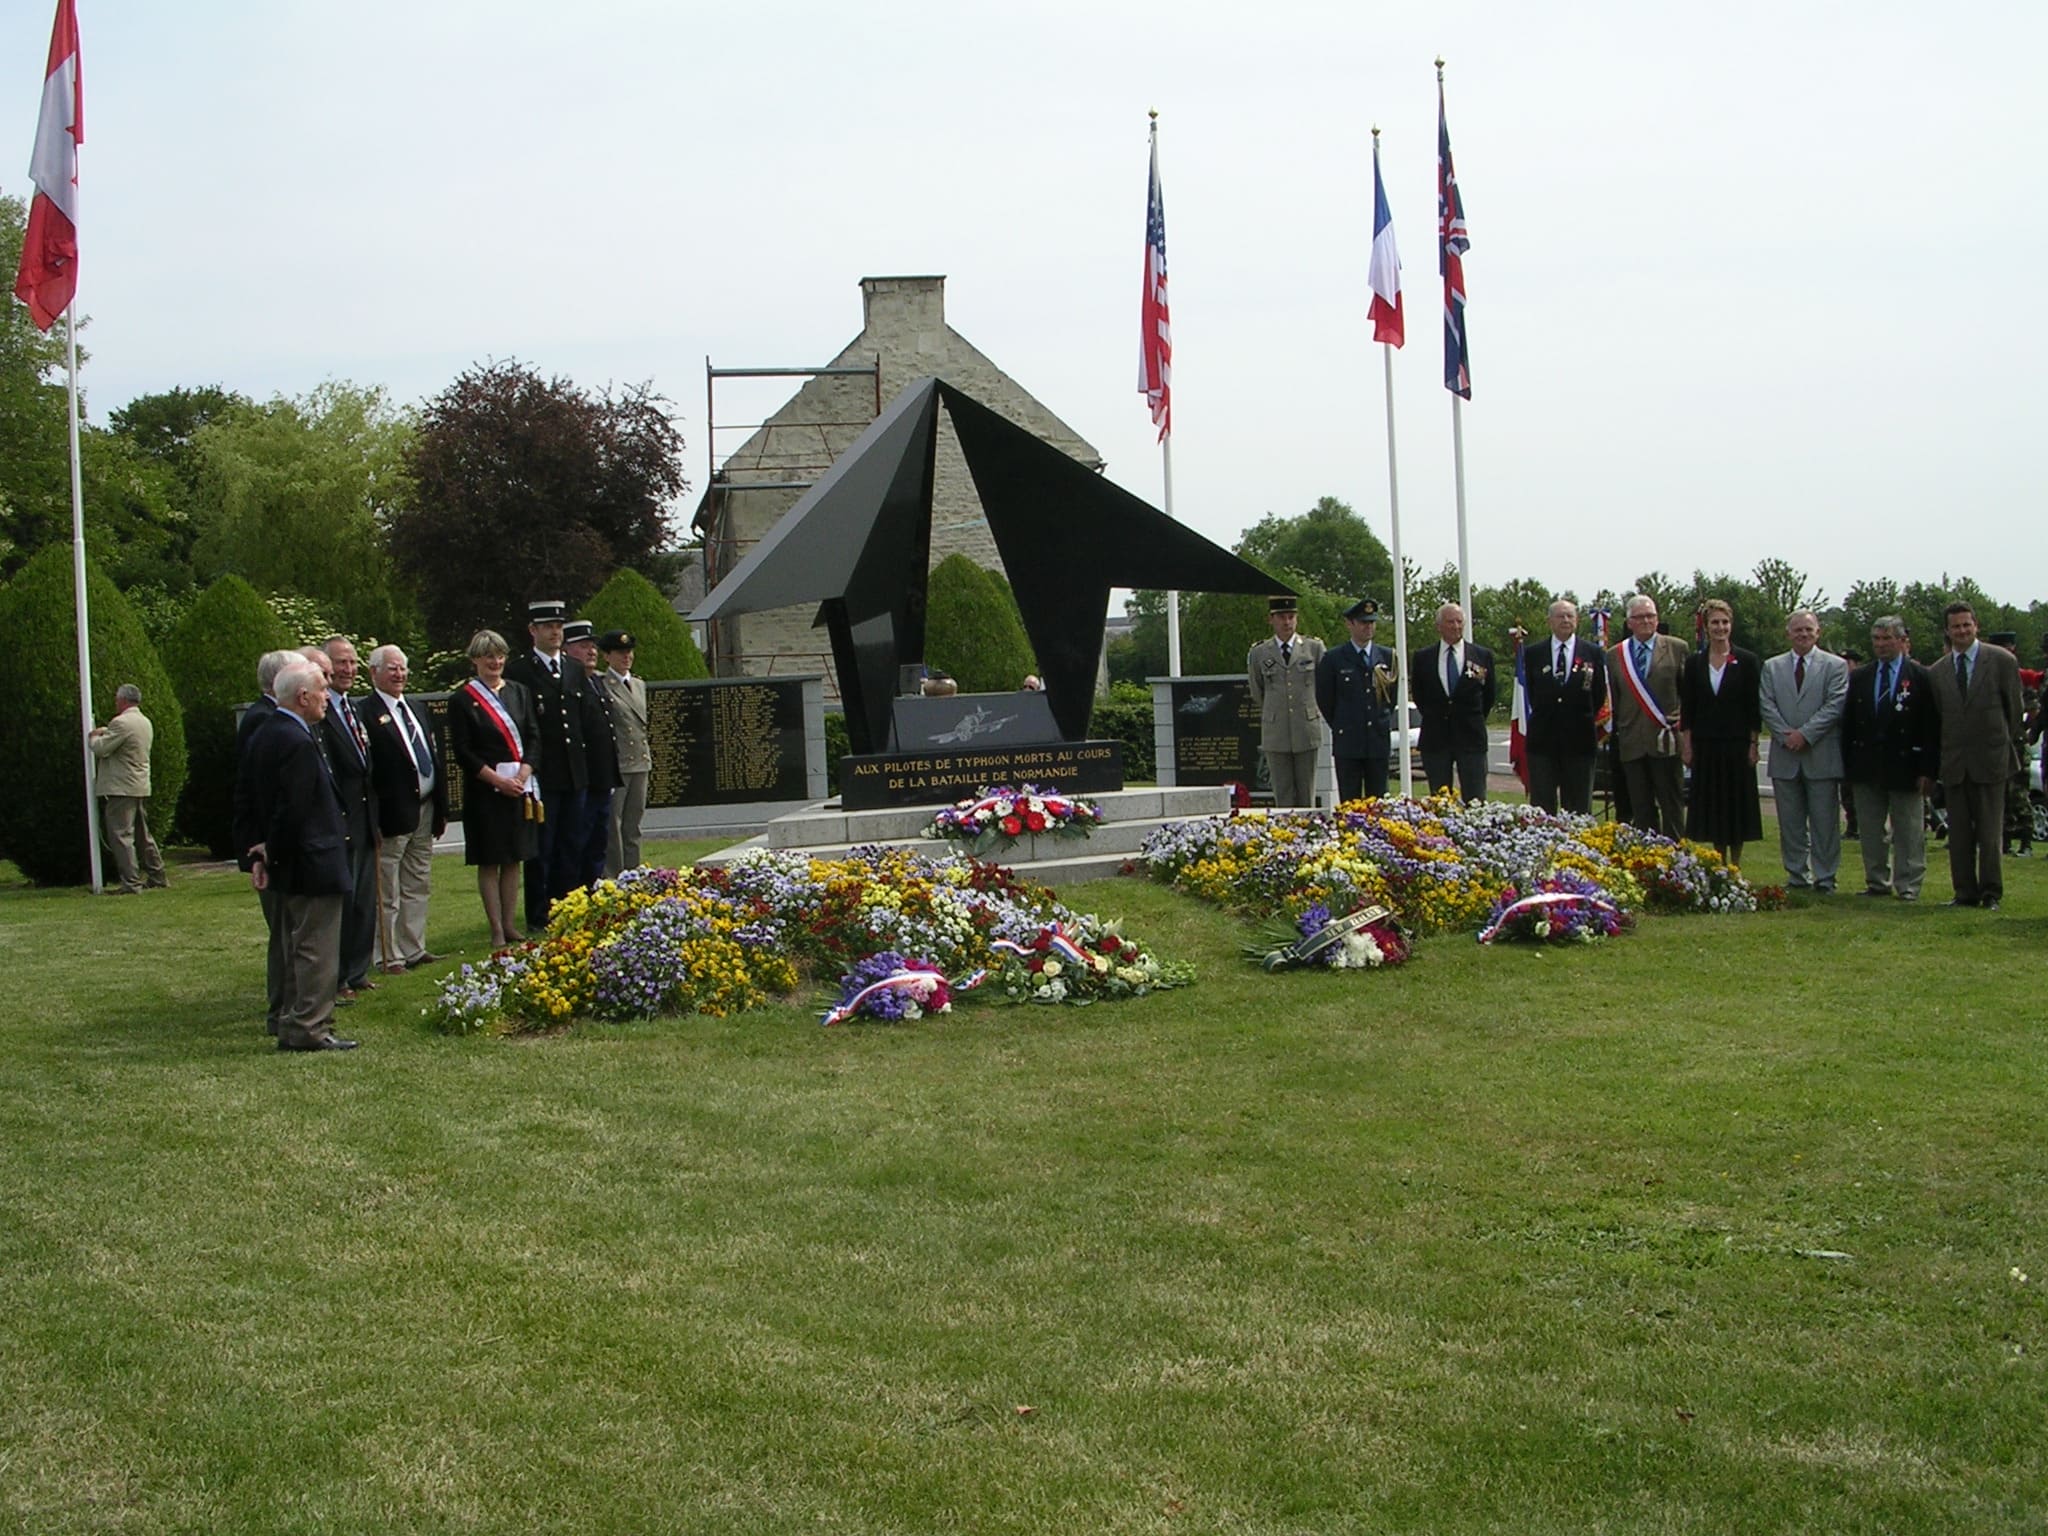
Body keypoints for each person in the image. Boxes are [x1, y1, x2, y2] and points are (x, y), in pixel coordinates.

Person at [247, 659, 357, 1052]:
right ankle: (310, 1026)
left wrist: (264, 853)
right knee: (315, 948)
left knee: (295, 945)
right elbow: (291, 808)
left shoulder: (269, 732)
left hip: (294, 859)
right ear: (302, 696)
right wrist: (273, 852)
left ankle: (291, 1020)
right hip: (311, 859)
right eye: (321, 691)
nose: (328, 696)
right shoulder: (295, 740)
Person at [1924, 602, 2023, 910]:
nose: (1962, 631)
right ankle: (1964, 892)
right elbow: (1938, 718)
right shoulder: (1938, 671)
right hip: (1955, 763)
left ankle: (1991, 892)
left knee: (1990, 833)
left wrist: (2006, 747)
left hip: (1991, 760)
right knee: (1961, 834)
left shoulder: (2001, 661)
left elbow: (2015, 712)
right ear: (1947, 631)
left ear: (1976, 626)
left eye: (1967, 625)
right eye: (1956, 626)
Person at [449, 629, 542, 948]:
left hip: (520, 787)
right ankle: (495, 929)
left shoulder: (519, 691)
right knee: (490, 859)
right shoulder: (462, 700)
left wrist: (525, 771)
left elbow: (533, 736)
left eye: (500, 655)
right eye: (489, 656)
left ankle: (510, 923)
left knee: (514, 858)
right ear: (476, 660)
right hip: (486, 791)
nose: (496, 661)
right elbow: (463, 750)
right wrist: (496, 780)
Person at [504, 599, 590, 930]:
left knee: (572, 845)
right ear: (533, 631)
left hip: (574, 772)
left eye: (559, 626)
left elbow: (581, 721)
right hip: (542, 775)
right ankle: (540, 915)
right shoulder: (520, 671)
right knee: (543, 848)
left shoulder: (572, 668)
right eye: (548, 626)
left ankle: (567, 908)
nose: (556, 632)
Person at [1841, 616, 1938, 901]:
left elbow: (1931, 726)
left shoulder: (1920, 677)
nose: (1881, 645)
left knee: (1908, 830)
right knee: (1871, 829)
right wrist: (1847, 765)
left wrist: (1928, 769)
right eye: (1876, 640)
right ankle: (1876, 881)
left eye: (1887, 639)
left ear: (1901, 640)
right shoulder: (1861, 677)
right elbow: (1848, 724)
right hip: (1867, 764)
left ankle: (1908, 884)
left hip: (1907, 765)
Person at [365, 644, 448, 972]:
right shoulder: (367, 713)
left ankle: (414, 947)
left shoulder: (415, 708)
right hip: (393, 813)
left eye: (402, 668)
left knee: (418, 882)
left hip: (425, 809)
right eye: (392, 669)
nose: (399, 674)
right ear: (374, 673)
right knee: (387, 888)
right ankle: (388, 954)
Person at [1758, 610, 1851, 892]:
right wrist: (1786, 736)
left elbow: (1835, 706)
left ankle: (1825, 877)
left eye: (1808, 630)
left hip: (1820, 754)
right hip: (1785, 755)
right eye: (1797, 630)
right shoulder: (1772, 667)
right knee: (1791, 823)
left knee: (1825, 823)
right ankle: (1797, 875)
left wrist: (1805, 735)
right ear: (1788, 634)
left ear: (1818, 633)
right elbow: (1766, 704)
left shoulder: (1835, 666)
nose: (1803, 634)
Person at [234, 650, 301, 1035]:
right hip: (271, 848)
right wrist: (262, 848)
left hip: (273, 844)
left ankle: (291, 1007)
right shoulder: (265, 722)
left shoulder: (267, 720)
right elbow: (260, 794)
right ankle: (283, 1012)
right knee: (285, 932)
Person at [1677, 599, 1762, 866]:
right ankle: (1718, 861)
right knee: (1713, 806)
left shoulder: (1747, 661)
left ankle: (1735, 865)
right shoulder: (1694, 664)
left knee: (1736, 806)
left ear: (1731, 625)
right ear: (1706, 626)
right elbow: (1688, 708)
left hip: (1736, 745)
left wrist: (1753, 744)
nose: (1720, 627)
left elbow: (1753, 707)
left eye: (1724, 622)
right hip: (1706, 745)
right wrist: (1687, 745)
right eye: (1715, 622)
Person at [319, 637, 382, 996]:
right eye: (340, 664)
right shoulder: (321, 711)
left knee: (363, 902)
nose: (348, 670)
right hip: (340, 821)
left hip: (365, 818)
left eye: (352, 663)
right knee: (343, 902)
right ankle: (338, 976)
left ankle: (358, 970)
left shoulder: (353, 709)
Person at [1606, 595, 1688, 836]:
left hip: (1666, 740)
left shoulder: (1676, 648)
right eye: (1639, 617)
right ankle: (1648, 861)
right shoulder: (1615, 655)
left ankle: (1676, 862)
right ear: (1629, 622)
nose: (1646, 621)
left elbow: (1687, 695)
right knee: (1641, 808)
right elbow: (1614, 700)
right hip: (1632, 742)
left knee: (1671, 805)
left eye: (1650, 616)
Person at [1520, 599, 1607, 815]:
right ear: (1550, 621)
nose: (1566, 620)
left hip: (1580, 742)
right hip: (1543, 743)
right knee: (1542, 809)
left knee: (1578, 808)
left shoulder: (1593, 653)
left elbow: (1598, 695)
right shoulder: (1533, 654)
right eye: (1560, 616)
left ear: (1577, 621)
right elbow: (1530, 693)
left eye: (1570, 616)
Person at [1314, 597, 1397, 802]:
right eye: (1363, 622)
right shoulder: (1334, 659)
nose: (1368, 627)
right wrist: (1343, 723)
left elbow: (1391, 698)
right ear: (1350, 624)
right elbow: (1326, 699)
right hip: (1349, 741)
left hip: (1377, 741)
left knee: (1378, 802)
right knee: (1350, 802)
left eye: (1372, 622)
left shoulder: (1387, 656)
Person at [88, 683, 168, 894]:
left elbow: (102, 748)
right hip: (139, 784)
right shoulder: (144, 721)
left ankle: (131, 882)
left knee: (121, 835)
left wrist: (93, 737)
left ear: (123, 700)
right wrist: (107, 731)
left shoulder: (121, 722)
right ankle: (157, 874)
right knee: (143, 835)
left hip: (121, 787)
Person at [1411, 601, 1495, 801]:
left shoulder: (1482, 656)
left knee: (1475, 798)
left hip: (1471, 737)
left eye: (1459, 621)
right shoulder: (1423, 658)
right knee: (1439, 799)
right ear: (1439, 626)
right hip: (1436, 737)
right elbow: (1419, 695)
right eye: (1450, 622)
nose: (1456, 626)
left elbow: (1489, 695)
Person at [1246, 595, 1325, 807]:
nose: (1287, 622)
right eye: (1281, 617)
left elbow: (1324, 686)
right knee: (1282, 793)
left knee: (1306, 791)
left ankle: (1308, 833)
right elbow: (1257, 690)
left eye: (1291, 617)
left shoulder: (1313, 648)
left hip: (1306, 727)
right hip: (1276, 730)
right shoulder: (1259, 652)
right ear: (1271, 619)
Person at [563, 619, 624, 887]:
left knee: (600, 838)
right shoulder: (569, 684)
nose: (592, 652)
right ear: (566, 650)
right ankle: (577, 890)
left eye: (593, 646)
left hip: (602, 777)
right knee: (579, 838)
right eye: (583, 646)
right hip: (583, 778)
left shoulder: (596, 683)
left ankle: (594, 885)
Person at [598, 629, 651, 875]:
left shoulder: (639, 684)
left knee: (633, 825)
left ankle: (634, 872)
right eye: (620, 653)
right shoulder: (602, 685)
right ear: (607, 656)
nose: (626, 657)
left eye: (629, 652)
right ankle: (615, 875)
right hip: (618, 763)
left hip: (640, 761)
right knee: (613, 826)